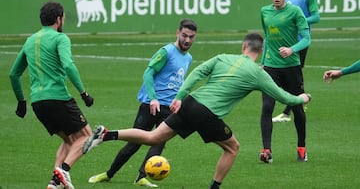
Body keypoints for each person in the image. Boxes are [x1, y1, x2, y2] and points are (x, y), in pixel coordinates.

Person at [82, 32, 312, 189]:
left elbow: (197, 73)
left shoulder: (223, 57)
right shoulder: (259, 73)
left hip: (191, 102)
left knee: (154, 137)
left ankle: (107, 134)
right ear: (260, 52)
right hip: (208, 114)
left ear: (243, 47)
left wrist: (180, 97)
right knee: (233, 148)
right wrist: (301, 97)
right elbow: (282, 96)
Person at [87, 19, 197, 187]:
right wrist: (153, 98)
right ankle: (108, 174)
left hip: (170, 108)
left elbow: (178, 82)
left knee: (159, 142)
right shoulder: (166, 52)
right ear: (177, 33)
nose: (187, 40)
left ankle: (141, 177)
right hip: (151, 105)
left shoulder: (188, 58)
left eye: (191, 37)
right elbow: (148, 74)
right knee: (134, 144)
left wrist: (179, 100)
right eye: (184, 35)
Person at [9, 1, 94, 189]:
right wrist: (83, 93)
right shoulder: (60, 38)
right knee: (87, 137)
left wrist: (21, 101)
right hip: (58, 98)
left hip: (37, 103)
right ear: (58, 19)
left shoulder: (30, 40)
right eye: (63, 18)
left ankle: (54, 183)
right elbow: (68, 65)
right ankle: (63, 170)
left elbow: (14, 74)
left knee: (69, 139)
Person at [259, 0, 311, 163]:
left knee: (297, 107)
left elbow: (306, 38)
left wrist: (292, 49)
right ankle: (266, 151)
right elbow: (267, 36)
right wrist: (263, 63)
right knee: (267, 107)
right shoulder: (264, 11)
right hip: (270, 68)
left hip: (291, 68)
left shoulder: (295, 12)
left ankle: (302, 148)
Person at [272, 0, 320, 123]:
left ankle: (287, 112)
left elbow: (316, 17)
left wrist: (298, 20)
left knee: (292, 77)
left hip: (300, 42)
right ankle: (301, 99)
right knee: (288, 78)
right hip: (284, 41)